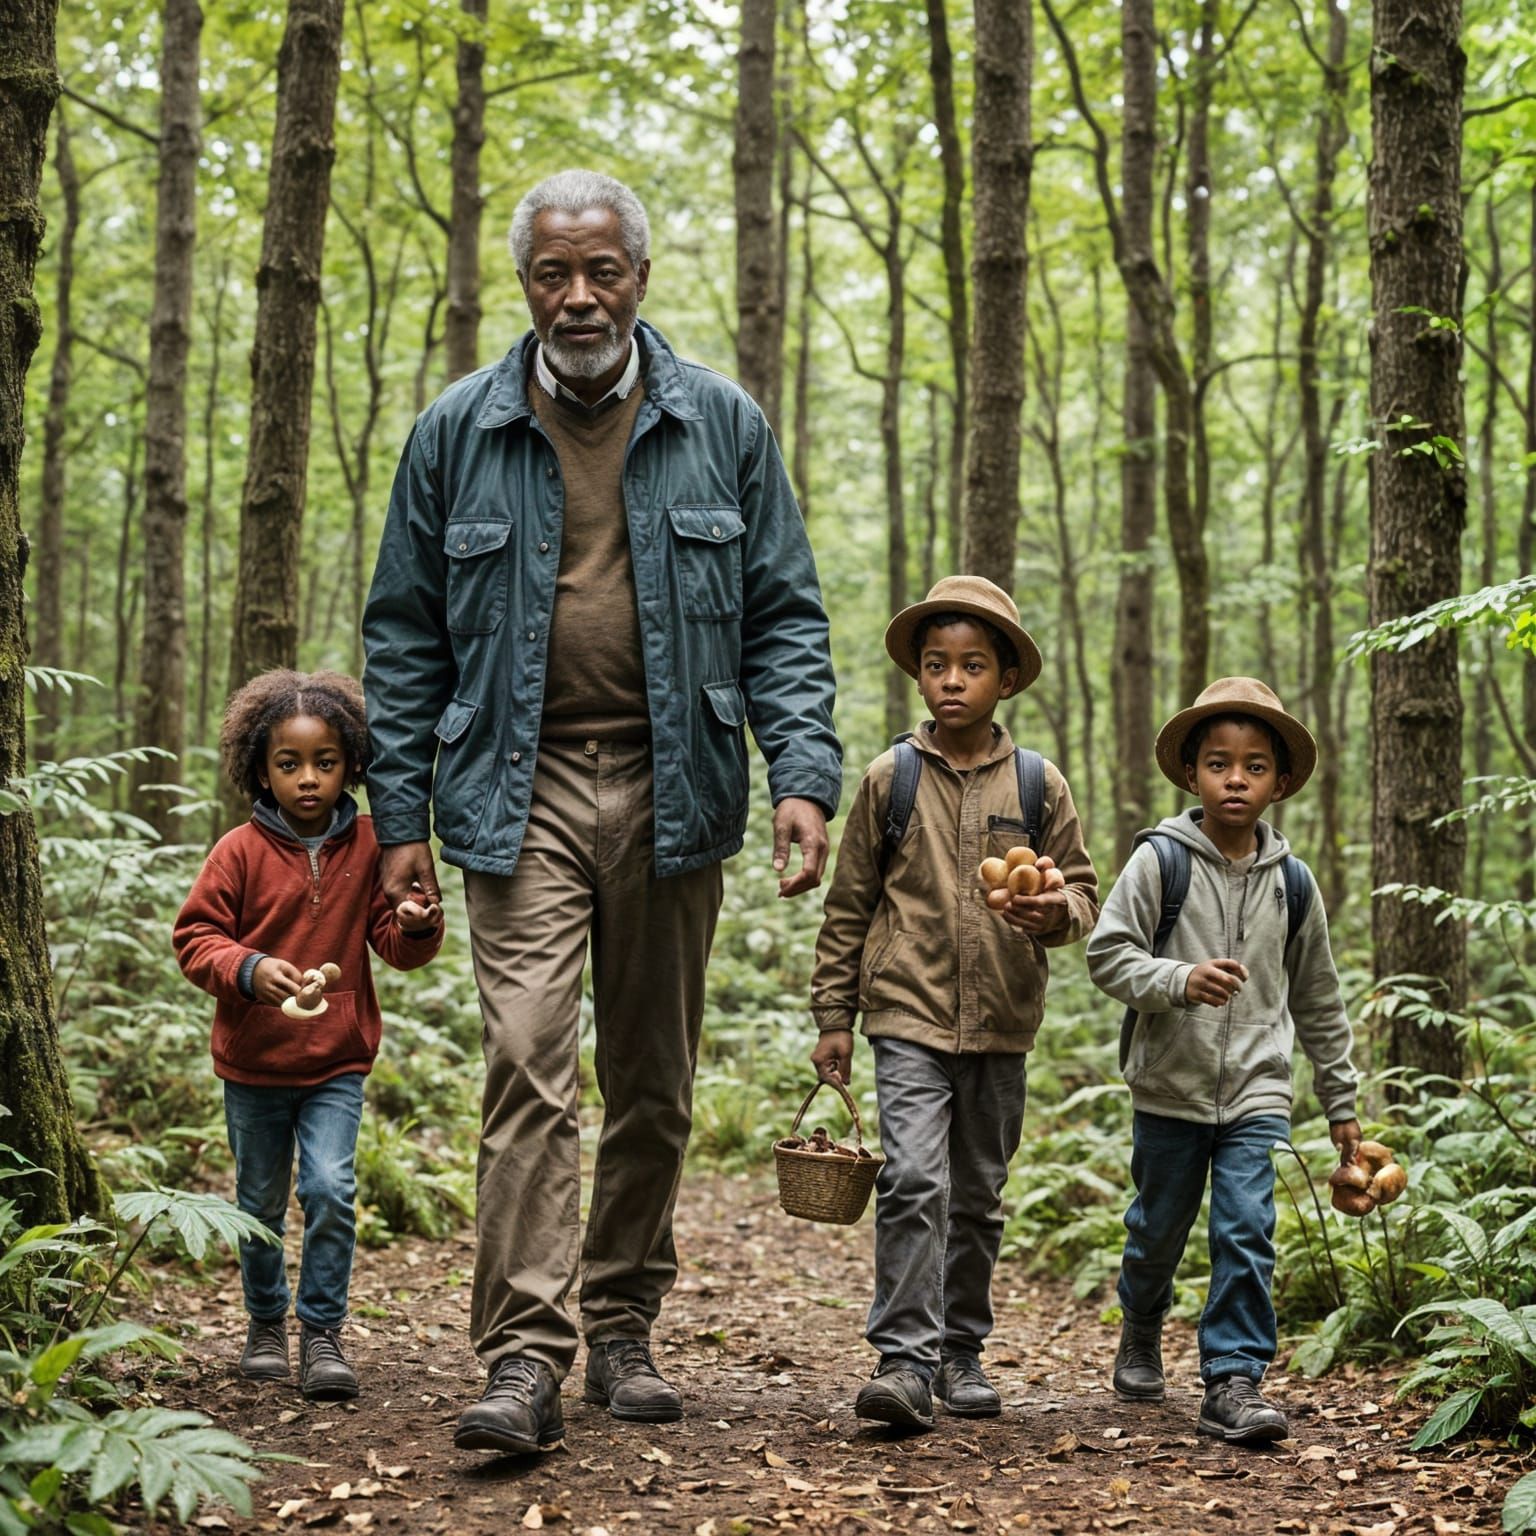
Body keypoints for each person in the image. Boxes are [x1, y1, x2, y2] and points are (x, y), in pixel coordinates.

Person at [362, 169, 841, 1456]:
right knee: (527, 1062)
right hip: (510, 795)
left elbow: (785, 612)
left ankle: (623, 1317)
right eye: (552, 273)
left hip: (676, 781)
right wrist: (395, 816)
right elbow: (403, 637)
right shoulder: (456, 429)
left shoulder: (721, 424)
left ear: (639, 275)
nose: (578, 296)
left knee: (654, 1081)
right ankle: (523, 1353)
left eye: (601, 271)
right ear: (526, 284)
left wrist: (803, 772)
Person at [808, 575, 1099, 1430]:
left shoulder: (1040, 785)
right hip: (906, 1013)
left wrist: (1055, 913)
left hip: (1004, 1022)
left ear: (1005, 679)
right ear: (919, 676)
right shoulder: (887, 780)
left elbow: (1080, 894)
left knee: (977, 1194)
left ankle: (961, 1351)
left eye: (973, 666)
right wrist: (835, 1016)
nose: (952, 680)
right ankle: (903, 1358)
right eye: (937, 664)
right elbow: (850, 905)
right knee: (912, 1179)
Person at [1086, 676, 1362, 1444]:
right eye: (1217, 762)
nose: (1234, 778)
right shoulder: (1160, 864)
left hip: (1257, 1093)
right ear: (1191, 774)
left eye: (1253, 765)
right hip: (1167, 1088)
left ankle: (1233, 1380)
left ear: (1279, 782)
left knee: (1246, 1228)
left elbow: (1318, 1000)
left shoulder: (1294, 886)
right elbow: (1107, 955)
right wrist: (1178, 980)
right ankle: (1141, 1324)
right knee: (1157, 1231)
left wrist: (1341, 1103)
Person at [174, 670, 444, 1401]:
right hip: (253, 1064)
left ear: (353, 763)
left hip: (336, 1062)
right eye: (288, 764)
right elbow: (195, 937)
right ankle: (265, 1323)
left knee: (329, 1189)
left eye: (325, 762)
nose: (307, 779)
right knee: (258, 1202)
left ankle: (321, 1332)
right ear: (258, 768)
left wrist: (420, 923)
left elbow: (394, 941)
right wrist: (249, 969)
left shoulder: (370, 843)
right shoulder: (236, 851)